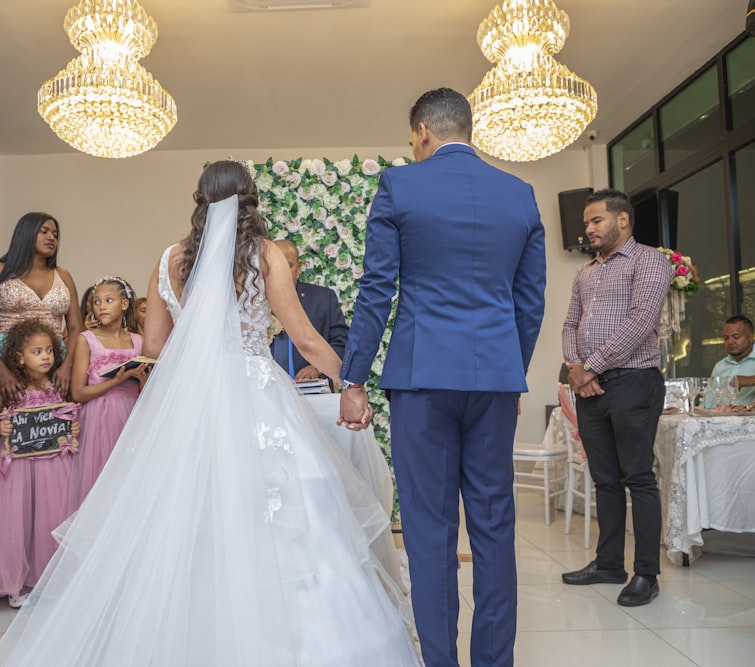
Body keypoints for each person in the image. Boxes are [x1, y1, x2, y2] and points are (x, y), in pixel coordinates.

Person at [0, 161, 419, 666]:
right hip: (257, 394)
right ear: (250, 200)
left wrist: (189, 381)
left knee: (184, 514)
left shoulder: (170, 259)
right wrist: (352, 382)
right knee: (287, 513)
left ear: (201, 201)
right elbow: (302, 337)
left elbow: (152, 345)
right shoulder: (264, 255)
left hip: (189, 401)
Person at [339, 88, 546, 667]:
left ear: (424, 132)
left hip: (422, 377)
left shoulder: (400, 186)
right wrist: (511, 373)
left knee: (430, 533)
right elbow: (529, 304)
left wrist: (354, 377)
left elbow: (377, 290)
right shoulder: (520, 194)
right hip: (495, 380)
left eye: (412, 139)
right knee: (494, 526)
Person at [560, 189, 672, 608]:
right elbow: (570, 322)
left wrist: (593, 365)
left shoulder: (649, 261)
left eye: (596, 221)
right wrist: (576, 367)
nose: (588, 229)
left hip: (635, 381)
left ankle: (647, 574)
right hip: (590, 387)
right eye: (587, 223)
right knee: (604, 480)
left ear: (622, 220)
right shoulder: (585, 272)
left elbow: (642, 321)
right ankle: (608, 564)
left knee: (638, 478)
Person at [0, 319, 80, 609]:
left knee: (50, 520)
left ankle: (50, 580)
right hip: (19, 470)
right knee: (17, 521)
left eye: (49, 350)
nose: (46, 356)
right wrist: (3, 429)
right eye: (37, 352)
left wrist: (73, 430)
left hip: (54, 467)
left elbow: (68, 420)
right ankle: (15, 583)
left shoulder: (59, 385)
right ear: (20, 357)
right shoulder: (9, 389)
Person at [0, 212, 83, 457]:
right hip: (4, 357)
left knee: (47, 430)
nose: (52, 238)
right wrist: (1, 369)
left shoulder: (64, 275)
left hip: (52, 360)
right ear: (26, 233)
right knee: (3, 427)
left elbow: (76, 327)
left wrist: (66, 366)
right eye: (44, 231)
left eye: (55, 234)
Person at [70, 277, 146, 504]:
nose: (101, 306)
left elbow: (147, 390)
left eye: (109, 300)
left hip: (132, 416)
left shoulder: (139, 341)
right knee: (99, 480)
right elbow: (78, 393)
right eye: (96, 302)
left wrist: (142, 381)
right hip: (98, 418)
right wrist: (116, 380)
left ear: (124, 304)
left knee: (129, 479)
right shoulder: (87, 340)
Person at [270, 238, 348, 384]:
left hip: (312, 392)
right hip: (268, 393)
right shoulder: (256, 301)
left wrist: (316, 368)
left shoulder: (323, 298)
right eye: (275, 267)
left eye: (288, 266)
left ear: (298, 267)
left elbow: (342, 342)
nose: (281, 272)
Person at [708, 315, 755, 405]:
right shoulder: (720, 366)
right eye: (726, 338)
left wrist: (752, 379)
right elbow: (709, 398)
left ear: (751, 337)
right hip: (720, 417)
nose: (730, 342)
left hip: (754, 417)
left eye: (736, 337)